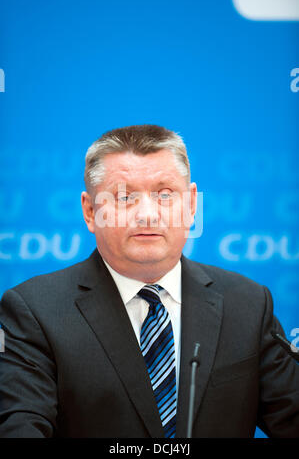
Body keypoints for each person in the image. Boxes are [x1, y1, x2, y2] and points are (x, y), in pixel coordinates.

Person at [0, 124, 298, 438]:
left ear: (192, 204)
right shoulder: (34, 312)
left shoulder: (247, 303)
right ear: (90, 211)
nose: (147, 215)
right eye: (125, 197)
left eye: (165, 195)